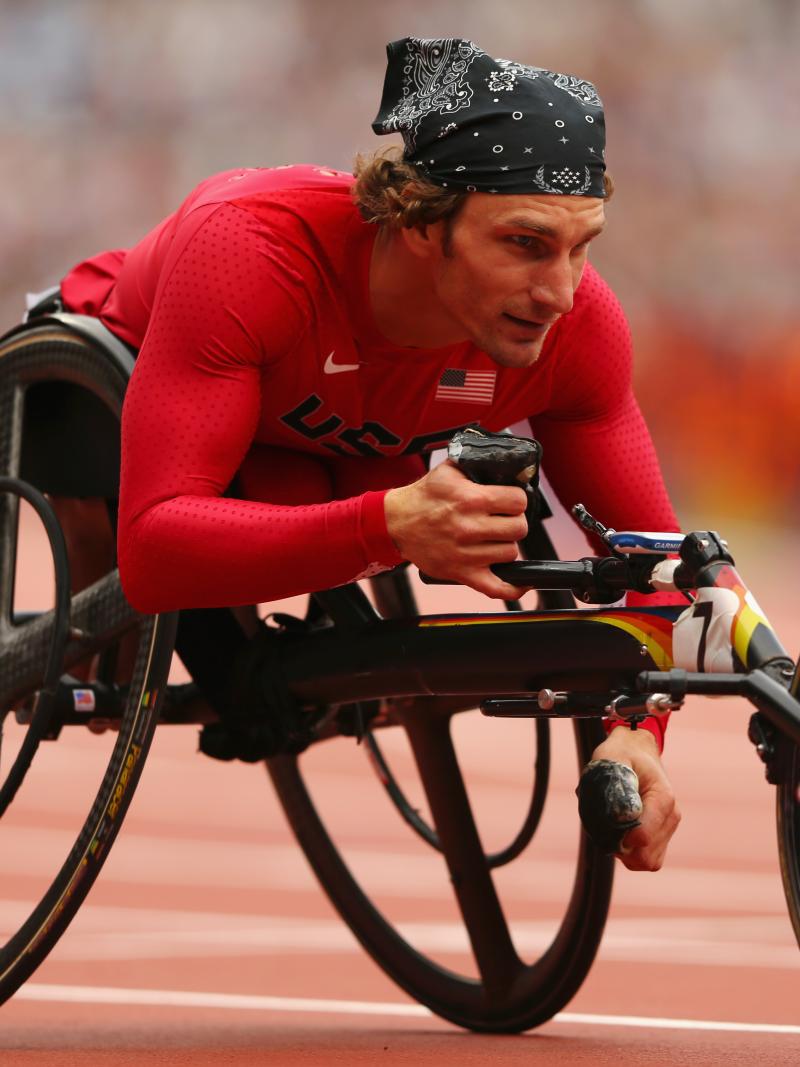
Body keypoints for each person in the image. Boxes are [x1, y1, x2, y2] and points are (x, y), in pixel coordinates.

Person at [59, 37, 681, 870]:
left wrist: (638, 731)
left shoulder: (580, 327)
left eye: (582, 246)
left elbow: (664, 568)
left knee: (310, 482)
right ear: (423, 223)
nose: (560, 292)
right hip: (134, 389)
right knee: (250, 496)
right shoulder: (248, 254)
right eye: (525, 244)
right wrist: (392, 525)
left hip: (336, 458)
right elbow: (155, 554)